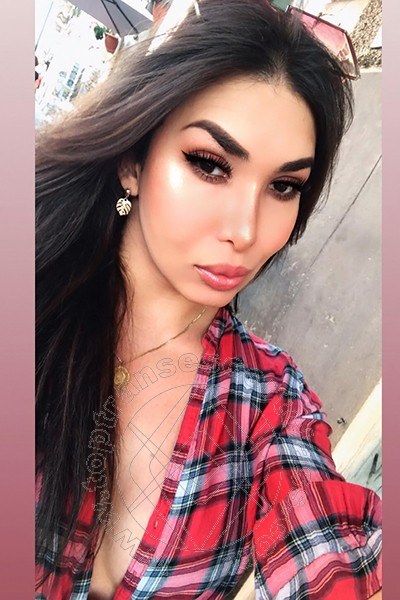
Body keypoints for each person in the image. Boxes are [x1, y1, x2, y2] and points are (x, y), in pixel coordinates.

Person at [35, 1, 382, 598]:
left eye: (283, 186)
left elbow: (328, 553)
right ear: (133, 160)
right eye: (210, 164)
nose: (246, 231)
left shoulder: (270, 401)